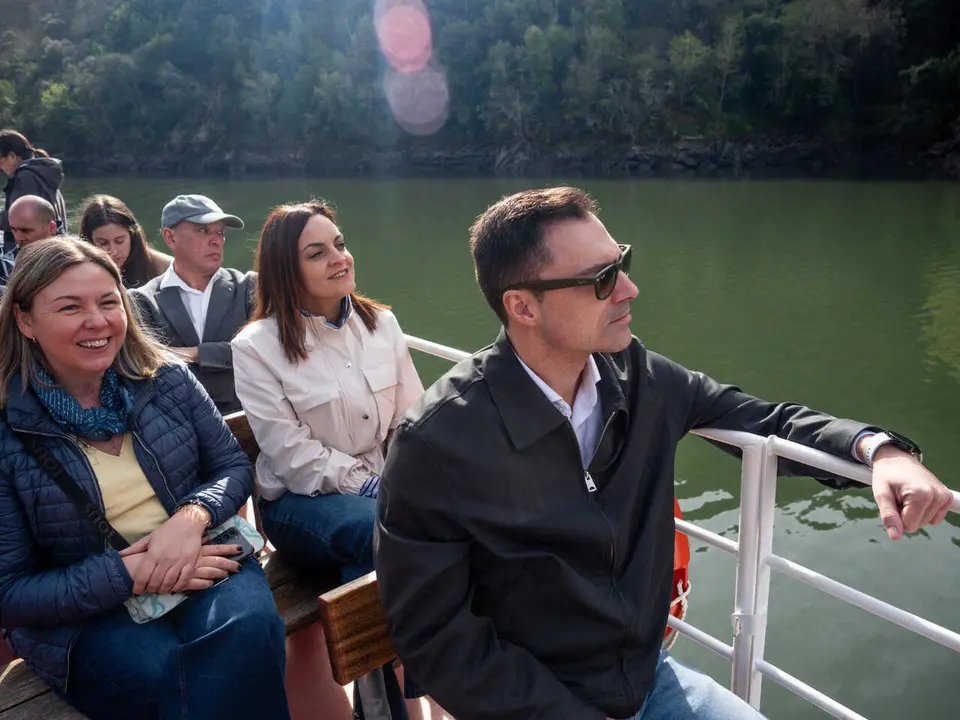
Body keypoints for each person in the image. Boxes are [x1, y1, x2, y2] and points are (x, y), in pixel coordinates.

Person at [373, 187, 955, 720]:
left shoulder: (636, 377)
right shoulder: (438, 442)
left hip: (648, 682)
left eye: (622, 264)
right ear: (523, 307)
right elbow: (437, 636)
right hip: (533, 705)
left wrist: (880, 452)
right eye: (602, 279)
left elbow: (765, 421)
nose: (629, 289)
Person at [0, 238, 289, 719]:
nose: (97, 321)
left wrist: (190, 519)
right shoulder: (9, 429)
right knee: (167, 675)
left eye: (108, 302)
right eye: (70, 307)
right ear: (25, 320)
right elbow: (10, 593)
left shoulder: (166, 379)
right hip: (83, 612)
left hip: (200, 552)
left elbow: (231, 467)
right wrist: (127, 574)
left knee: (250, 627)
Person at [231, 200, 425, 719]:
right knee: (383, 528)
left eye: (339, 244)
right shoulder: (257, 347)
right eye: (317, 253)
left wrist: (407, 482)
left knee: (383, 544)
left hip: (386, 496)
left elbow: (412, 422)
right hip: (299, 503)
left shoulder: (381, 324)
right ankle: (427, 679)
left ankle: (381, 708)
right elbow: (289, 454)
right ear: (285, 270)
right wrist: (370, 485)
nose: (339, 258)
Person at [129, 194, 255, 415]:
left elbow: (264, 351)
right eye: (203, 231)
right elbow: (145, 366)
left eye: (220, 232)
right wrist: (227, 353)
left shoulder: (248, 287)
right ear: (170, 237)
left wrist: (195, 354)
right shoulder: (142, 300)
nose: (216, 240)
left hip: (248, 420)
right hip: (178, 426)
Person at [80, 194, 172, 289]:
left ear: (133, 236)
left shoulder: (165, 268)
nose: (113, 251)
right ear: (88, 240)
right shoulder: (77, 272)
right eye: (103, 243)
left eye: (120, 241)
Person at [0, 129, 67, 254]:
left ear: (12, 156)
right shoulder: (40, 174)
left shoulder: (26, 178)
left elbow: (22, 219)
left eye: (0, 161)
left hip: (33, 255)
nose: (0, 167)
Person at [0, 195, 60, 292]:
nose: (18, 238)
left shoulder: (74, 261)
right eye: (13, 230)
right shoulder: (6, 267)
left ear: (51, 228)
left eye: (26, 230)